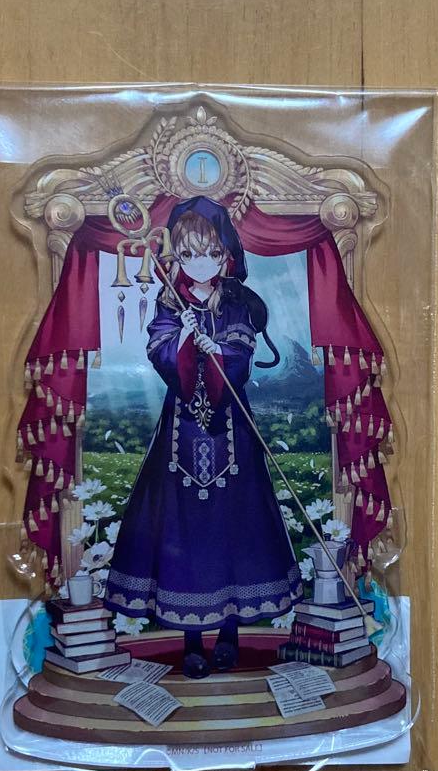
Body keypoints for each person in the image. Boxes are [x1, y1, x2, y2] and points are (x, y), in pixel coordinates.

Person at [103, 196, 301, 677]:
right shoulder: (169, 301)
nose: (200, 263)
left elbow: (241, 358)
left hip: (233, 436)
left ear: (225, 254)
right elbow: (160, 353)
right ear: (176, 255)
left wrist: (220, 351)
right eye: (189, 254)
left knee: (235, 528)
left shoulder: (236, 303)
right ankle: (191, 640)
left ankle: (229, 635)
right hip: (181, 438)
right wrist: (185, 341)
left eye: (211, 253)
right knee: (182, 533)